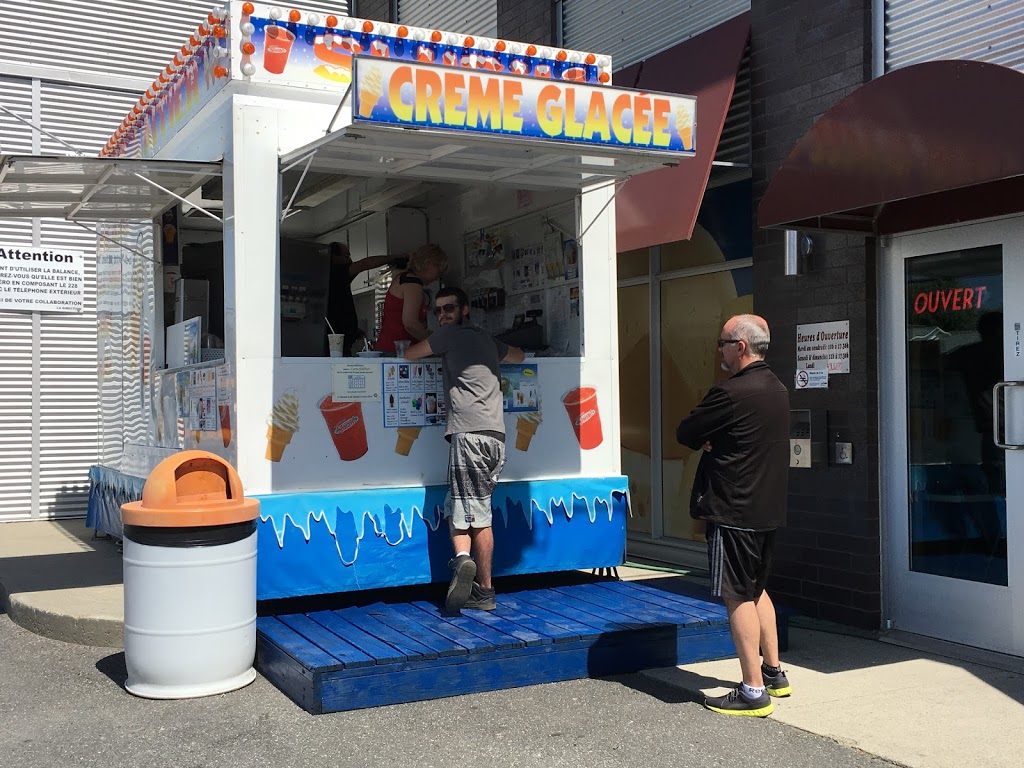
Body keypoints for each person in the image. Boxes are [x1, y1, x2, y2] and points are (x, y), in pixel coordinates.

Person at [676, 314, 791, 717]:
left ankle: (752, 690)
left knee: (736, 593)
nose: (719, 349)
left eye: (722, 341)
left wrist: (710, 439)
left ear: (740, 346)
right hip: (766, 507)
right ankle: (774, 673)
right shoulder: (776, 388)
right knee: (757, 588)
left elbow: (686, 432)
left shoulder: (730, 393)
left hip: (733, 507)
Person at [405, 286, 524, 612]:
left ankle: (462, 560)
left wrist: (433, 336)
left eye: (448, 309)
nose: (442, 315)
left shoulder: (448, 336)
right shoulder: (486, 338)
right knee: (478, 508)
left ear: (464, 310)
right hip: (496, 437)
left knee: (467, 513)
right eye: (438, 311)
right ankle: (483, 593)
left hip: (468, 436)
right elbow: (519, 356)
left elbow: (409, 355)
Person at [325, 242, 398, 356]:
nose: (350, 260)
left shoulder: (330, 278)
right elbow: (365, 264)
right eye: (347, 256)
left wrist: (353, 330)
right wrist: (395, 258)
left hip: (341, 342)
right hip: (335, 346)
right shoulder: (335, 272)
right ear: (334, 257)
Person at [375, 244, 448, 355]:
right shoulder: (412, 283)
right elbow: (411, 324)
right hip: (396, 352)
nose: (438, 276)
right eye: (439, 270)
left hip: (389, 348)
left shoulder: (404, 278)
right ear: (429, 263)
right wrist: (436, 343)